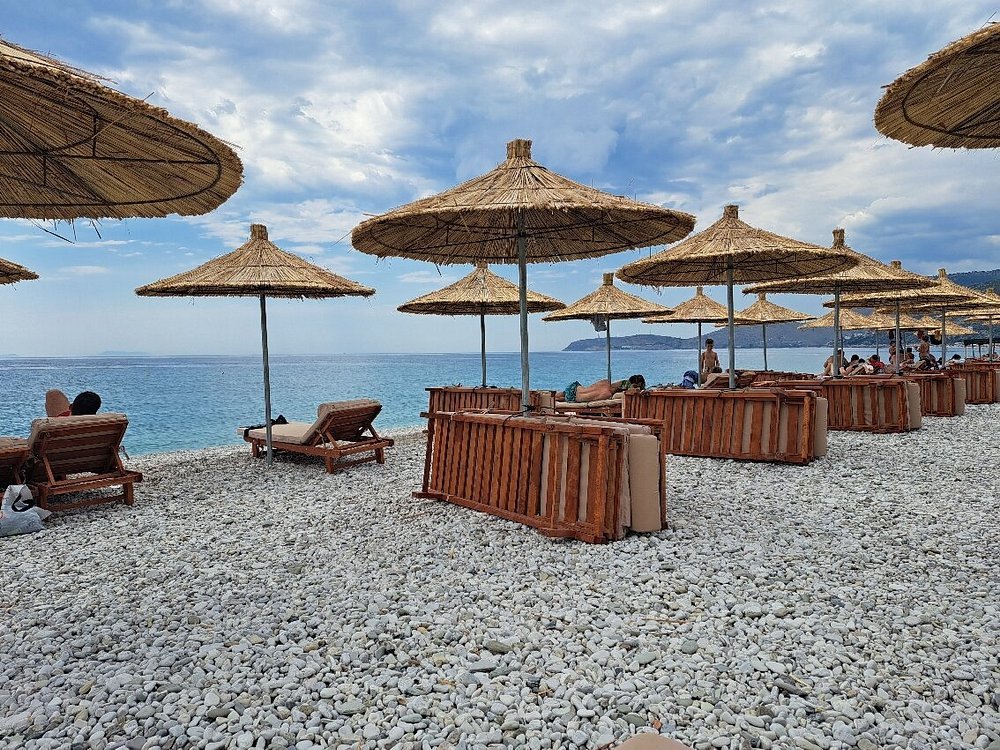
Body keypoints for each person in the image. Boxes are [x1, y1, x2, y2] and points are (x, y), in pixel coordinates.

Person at [560, 375, 644, 402]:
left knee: (557, 396)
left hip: (574, 388)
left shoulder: (606, 382)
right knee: (561, 398)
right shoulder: (607, 394)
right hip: (573, 398)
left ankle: (548, 397)